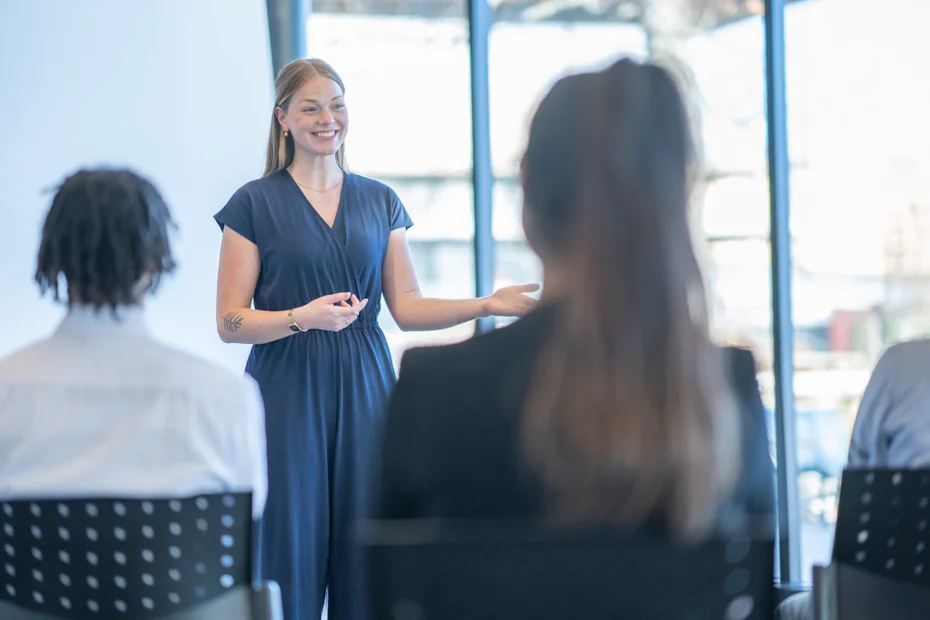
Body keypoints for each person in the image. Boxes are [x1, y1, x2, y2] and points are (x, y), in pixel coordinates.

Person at [380, 59, 775, 537]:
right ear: (674, 200)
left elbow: (381, 597)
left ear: (527, 193)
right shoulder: (725, 393)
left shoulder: (437, 391)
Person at [213, 58, 537, 620]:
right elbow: (229, 321)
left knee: (366, 542)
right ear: (283, 118)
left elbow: (406, 309)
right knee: (289, 541)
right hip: (286, 386)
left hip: (367, 385)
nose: (327, 118)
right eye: (311, 107)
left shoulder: (380, 201)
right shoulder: (253, 203)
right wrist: (299, 317)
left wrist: (484, 305)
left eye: (336, 105)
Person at [0, 168, 267, 520]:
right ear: (155, 260)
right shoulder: (226, 398)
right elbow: (246, 530)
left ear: (54, 257)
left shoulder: (7, 391)